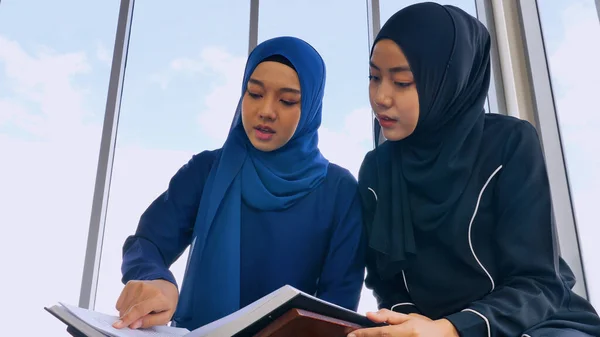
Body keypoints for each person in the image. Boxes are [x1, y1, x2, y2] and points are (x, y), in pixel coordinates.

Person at [350, 3, 600, 337]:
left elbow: (539, 282)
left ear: (447, 80)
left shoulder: (510, 143)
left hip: (539, 324)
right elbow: (387, 283)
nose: (381, 97)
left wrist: (454, 329)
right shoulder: (376, 171)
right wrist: (412, 325)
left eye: (403, 81)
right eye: (374, 77)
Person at [110, 36, 366, 331]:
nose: (266, 110)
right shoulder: (206, 171)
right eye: (254, 93)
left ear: (310, 107)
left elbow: (337, 309)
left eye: (287, 100)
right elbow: (147, 243)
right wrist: (155, 278)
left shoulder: (339, 191)